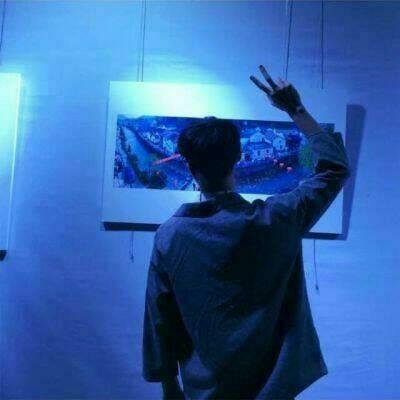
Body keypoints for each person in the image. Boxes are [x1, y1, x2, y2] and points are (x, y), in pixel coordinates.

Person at [142, 65, 351, 400]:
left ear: (190, 166)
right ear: (238, 158)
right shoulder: (279, 218)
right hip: (273, 389)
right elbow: (334, 169)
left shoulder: (171, 236)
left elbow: (160, 317)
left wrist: (169, 387)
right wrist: (295, 109)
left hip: (204, 391)